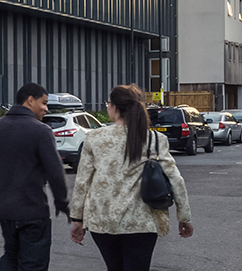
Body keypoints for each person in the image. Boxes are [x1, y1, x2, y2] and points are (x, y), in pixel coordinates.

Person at [68, 85, 193, 271]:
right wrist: (184, 217)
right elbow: (175, 180)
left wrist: (77, 219)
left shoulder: (94, 138)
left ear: (115, 107)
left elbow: (82, 182)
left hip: (102, 220)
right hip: (142, 221)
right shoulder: (154, 139)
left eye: (108, 104)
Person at [0, 82, 70, 271]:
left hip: (5, 212)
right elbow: (55, 172)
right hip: (33, 213)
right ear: (30, 100)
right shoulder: (41, 131)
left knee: (11, 256)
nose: (46, 109)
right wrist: (62, 202)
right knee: (33, 264)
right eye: (44, 103)